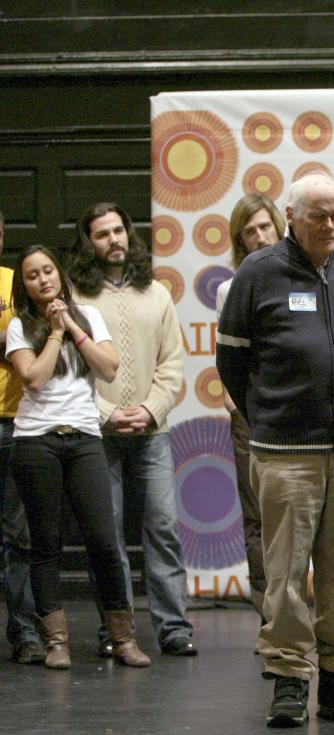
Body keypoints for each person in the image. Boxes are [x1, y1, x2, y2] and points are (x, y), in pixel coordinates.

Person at [217, 173, 334, 727]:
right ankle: (289, 679)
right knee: (286, 573)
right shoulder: (257, 273)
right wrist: (267, 417)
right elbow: (232, 360)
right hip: (286, 451)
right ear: (292, 216)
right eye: (320, 216)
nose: (333, 226)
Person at [6, 245, 150, 669]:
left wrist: (70, 323)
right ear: (25, 286)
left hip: (85, 438)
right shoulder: (20, 326)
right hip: (37, 441)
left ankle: (123, 638)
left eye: (47, 270)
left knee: (104, 542)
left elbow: (108, 368)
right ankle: (56, 642)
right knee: (45, 544)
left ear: (59, 274)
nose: (42, 279)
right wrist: (53, 331)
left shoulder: (88, 316)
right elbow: (32, 378)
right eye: (32, 275)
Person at [68, 202, 195, 657]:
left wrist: (149, 409)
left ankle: (174, 628)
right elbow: (72, 370)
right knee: (108, 537)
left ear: (129, 233)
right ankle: (115, 631)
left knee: (162, 528)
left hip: (151, 432)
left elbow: (172, 363)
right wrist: (105, 412)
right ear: (89, 243)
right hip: (96, 436)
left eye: (119, 230)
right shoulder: (74, 298)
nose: (113, 240)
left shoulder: (157, 293)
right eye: (102, 234)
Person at [216, 193, 285, 627]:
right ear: (240, 241)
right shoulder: (231, 287)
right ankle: (269, 613)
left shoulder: (305, 274)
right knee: (257, 516)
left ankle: (308, 612)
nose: (259, 236)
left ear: (279, 225)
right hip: (250, 413)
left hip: (297, 412)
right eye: (249, 231)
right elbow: (227, 356)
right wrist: (239, 405)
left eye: (264, 226)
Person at [0, 209, 45, 665]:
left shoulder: (17, 283)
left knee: (19, 536)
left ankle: (26, 633)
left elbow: (37, 337)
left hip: (16, 422)